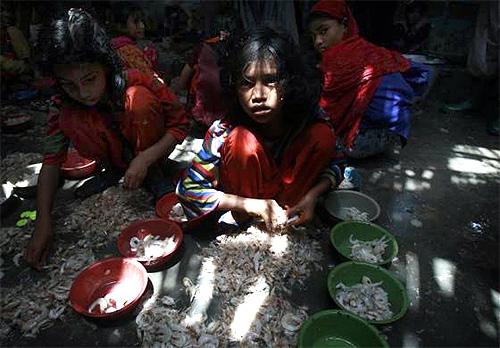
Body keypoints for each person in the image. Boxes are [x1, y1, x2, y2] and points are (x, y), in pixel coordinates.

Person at [24, 9, 190, 269]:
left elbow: (180, 124)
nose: (83, 92)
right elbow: (52, 160)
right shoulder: (64, 103)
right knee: (71, 117)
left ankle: (154, 173)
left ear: (105, 66)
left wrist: (146, 158)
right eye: (70, 85)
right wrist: (42, 220)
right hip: (112, 156)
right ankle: (114, 169)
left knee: (140, 101)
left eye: (90, 79)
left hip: (149, 151)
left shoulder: (133, 78)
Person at [176, 27, 343, 231]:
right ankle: (247, 221)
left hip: (290, 207)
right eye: (246, 83)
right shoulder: (225, 130)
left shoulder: (309, 118)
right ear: (235, 88)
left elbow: (337, 162)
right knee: (241, 142)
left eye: (271, 80)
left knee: (322, 136)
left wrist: (312, 196)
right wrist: (250, 205)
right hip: (248, 208)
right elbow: (189, 189)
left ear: (289, 82)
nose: (258, 95)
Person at [309, 0, 433, 159]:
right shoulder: (365, 48)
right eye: (313, 36)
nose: (318, 41)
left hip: (364, 139)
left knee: (316, 140)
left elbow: (327, 109)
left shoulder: (338, 57)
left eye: (323, 31)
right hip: (397, 132)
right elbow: (416, 71)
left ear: (345, 25)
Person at [174, 29, 231, 130]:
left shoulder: (200, 50)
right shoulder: (231, 50)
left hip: (200, 115)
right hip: (226, 116)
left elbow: (182, 80)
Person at [111, 3, 159, 80]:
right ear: (121, 26)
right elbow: (149, 77)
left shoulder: (120, 45)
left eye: (142, 21)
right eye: (136, 22)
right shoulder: (127, 50)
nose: (142, 26)